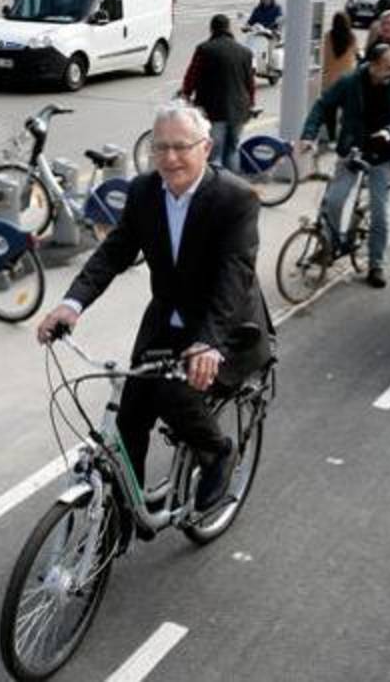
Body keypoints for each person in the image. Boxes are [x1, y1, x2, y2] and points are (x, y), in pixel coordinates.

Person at [35, 101, 274, 514]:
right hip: (167, 321)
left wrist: (208, 342)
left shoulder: (235, 199)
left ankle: (217, 453)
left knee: (172, 394)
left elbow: (234, 276)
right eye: (160, 147)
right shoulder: (144, 191)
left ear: (206, 147)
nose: (170, 157)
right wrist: (71, 305)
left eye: (181, 146)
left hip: (226, 326)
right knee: (131, 412)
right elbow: (115, 251)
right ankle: (124, 511)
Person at [298, 45, 390, 288]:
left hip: (382, 156)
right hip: (352, 150)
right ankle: (330, 245)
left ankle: (376, 263)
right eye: (389, 67)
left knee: (380, 212)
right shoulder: (350, 81)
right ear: (374, 65)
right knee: (334, 201)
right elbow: (322, 105)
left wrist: (389, 132)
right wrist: (309, 135)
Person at [180, 15, 256, 173]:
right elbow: (250, 82)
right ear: (229, 28)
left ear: (212, 29)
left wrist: (186, 94)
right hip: (239, 109)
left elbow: (192, 75)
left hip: (214, 109)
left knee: (213, 153)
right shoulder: (245, 52)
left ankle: (214, 190)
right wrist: (251, 103)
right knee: (232, 150)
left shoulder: (205, 49)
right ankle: (233, 189)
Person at [321, 11, 359, 90]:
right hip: (346, 80)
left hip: (328, 80)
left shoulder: (327, 36)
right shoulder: (352, 38)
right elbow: (356, 53)